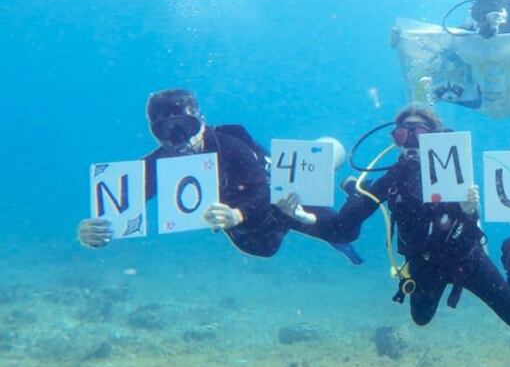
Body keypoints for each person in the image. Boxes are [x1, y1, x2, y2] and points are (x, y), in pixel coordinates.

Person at [304, 105, 510, 329]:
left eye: (420, 133)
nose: (412, 142)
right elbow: (344, 225)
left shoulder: (452, 171)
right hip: (424, 262)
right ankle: (357, 189)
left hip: (465, 258)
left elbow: (471, 228)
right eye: (403, 134)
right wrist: (304, 217)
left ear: (434, 139)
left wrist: (468, 209)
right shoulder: (393, 179)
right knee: (421, 318)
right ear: (396, 140)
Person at [76, 89, 362, 263]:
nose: (179, 140)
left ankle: (358, 193)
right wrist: (94, 231)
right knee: (261, 247)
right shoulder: (159, 162)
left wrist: (237, 214)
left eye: (185, 127)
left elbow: (264, 189)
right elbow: (118, 206)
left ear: (200, 121)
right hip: (253, 236)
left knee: (341, 228)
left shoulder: (229, 145)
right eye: (165, 132)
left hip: (278, 199)